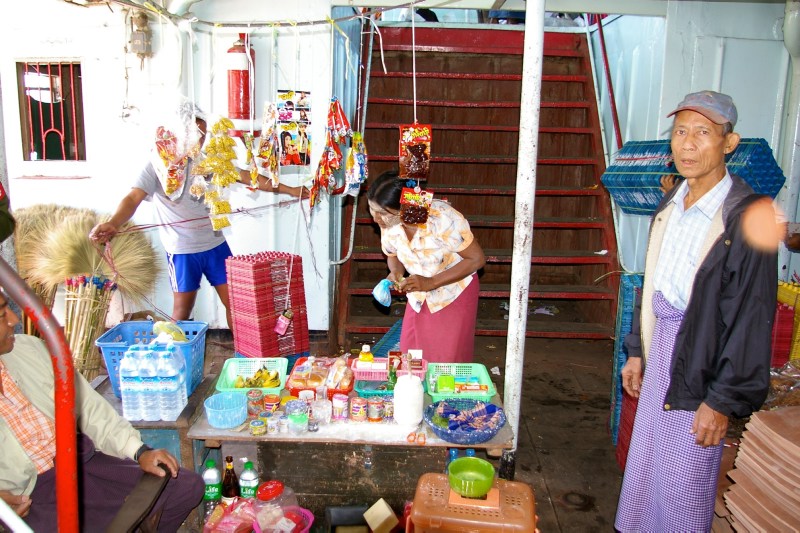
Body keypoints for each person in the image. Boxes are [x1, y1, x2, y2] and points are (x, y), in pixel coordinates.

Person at [615, 90, 778, 531]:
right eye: (680, 132)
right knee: (646, 468)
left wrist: (721, 401)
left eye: (703, 133)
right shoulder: (672, 201)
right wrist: (637, 349)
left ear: (730, 143)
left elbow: (752, 319)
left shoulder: (749, 216)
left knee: (684, 482)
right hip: (660, 351)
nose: (687, 144)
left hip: (702, 362)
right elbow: (652, 281)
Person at [0, 290, 203, 531]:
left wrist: (138, 451)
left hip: (79, 463)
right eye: (2, 314)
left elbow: (89, 407)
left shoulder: (31, 350)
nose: (14, 319)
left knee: (185, 487)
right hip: (29, 496)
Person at [90, 105, 305, 328]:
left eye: (204, 134)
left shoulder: (208, 162)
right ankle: (175, 357)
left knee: (234, 304)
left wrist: (291, 190)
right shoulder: (159, 166)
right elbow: (133, 198)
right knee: (182, 311)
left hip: (215, 244)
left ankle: (242, 355)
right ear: (181, 133)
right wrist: (114, 223)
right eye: (197, 134)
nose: (201, 141)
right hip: (182, 250)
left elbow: (248, 177)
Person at [367, 170, 485, 363]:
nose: (376, 219)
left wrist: (431, 282)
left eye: (382, 213)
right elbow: (393, 254)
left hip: (453, 292)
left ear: (404, 206)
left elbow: (477, 259)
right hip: (420, 294)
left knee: (446, 360)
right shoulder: (388, 222)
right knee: (413, 356)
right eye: (372, 210)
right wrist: (395, 273)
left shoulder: (442, 218)